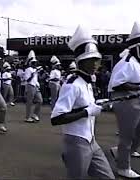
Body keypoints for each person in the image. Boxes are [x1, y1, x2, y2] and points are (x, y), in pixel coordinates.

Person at [51, 25, 115, 179]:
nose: (94, 64)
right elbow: (56, 118)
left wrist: (98, 104)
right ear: (80, 61)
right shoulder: (72, 84)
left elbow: (86, 105)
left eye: (96, 60)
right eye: (89, 60)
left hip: (92, 141)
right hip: (76, 142)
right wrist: (87, 111)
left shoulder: (87, 82)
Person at [108, 22, 140, 178]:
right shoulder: (127, 62)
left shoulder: (138, 63)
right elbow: (116, 85)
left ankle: (120, 153)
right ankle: (122, 167)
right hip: (126, 102)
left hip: (138, 102)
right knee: (127, 136)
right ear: (136, 48)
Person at [24, 50, 43, 123]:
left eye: (35, 62)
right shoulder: (28, 70)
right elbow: (28, 80)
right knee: (29, 102)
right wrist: (32, 74)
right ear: (30, 63)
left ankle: (35, 114)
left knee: (40, 100)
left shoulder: (35, 70)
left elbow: (37, 79)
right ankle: (27, 117)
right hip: (30, 86)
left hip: (35, 86)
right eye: (33, 62)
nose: (35, 64)